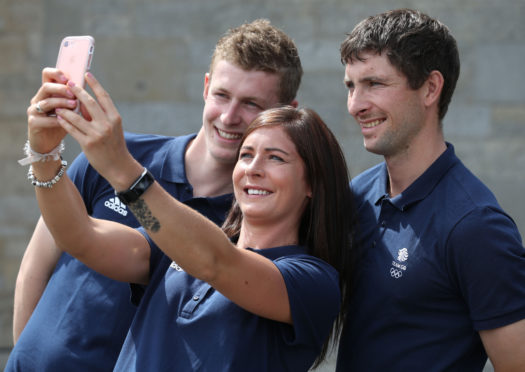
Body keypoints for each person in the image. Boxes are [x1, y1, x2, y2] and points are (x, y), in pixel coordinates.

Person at [8, 19, 303, 371]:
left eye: (251, 104)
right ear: (206, 87)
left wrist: (119, 169)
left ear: (286, 112)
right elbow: (36, 267)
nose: (229, 116)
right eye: (222, 95)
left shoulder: (252, 225)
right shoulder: (116, 154)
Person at [24, 97, 355, 369]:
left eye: (275, 158)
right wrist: (44, 154)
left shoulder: (312, 281)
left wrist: (120, 167)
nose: (253, 169)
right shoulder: (176, 245)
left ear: (312, 184)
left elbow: (217, 263)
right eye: (247, 155)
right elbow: (80, 237)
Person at [335, 8, 525, 371]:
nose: (355, 104)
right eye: (351, 85)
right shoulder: (356, 195)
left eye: (374, 83)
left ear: (430, 88)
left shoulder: (476, 225)